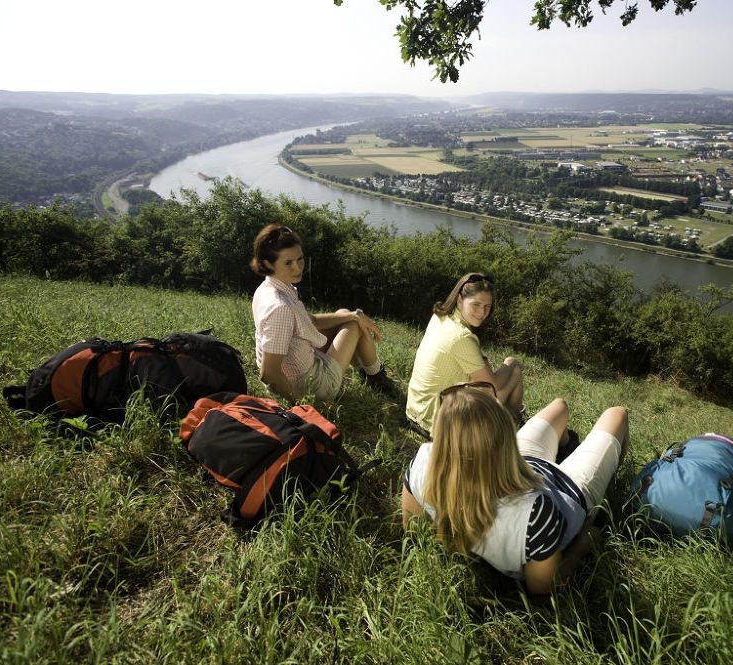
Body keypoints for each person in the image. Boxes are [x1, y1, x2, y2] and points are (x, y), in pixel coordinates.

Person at [402, 384, 629, 595]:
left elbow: (412, 531)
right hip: (568, 488)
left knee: (559, 407)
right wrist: (582, 545)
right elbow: (543, 589)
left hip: (516, 465)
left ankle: (567, 448)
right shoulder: (535, 513)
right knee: (617, 414)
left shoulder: (423, 462)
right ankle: (590, 465)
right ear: (504, 435)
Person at [250, 223, 399, 402]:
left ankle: (368, 370)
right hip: (313, 387)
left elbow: (311, 321)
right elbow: (269, 373)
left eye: (300, 259)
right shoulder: (280, 307)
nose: (298, 268)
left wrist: (355, 314)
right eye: (288, 262)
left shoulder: (268, 288)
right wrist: (304, 407)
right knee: (353, 326)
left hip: (300, 367)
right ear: (268, 263)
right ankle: (376, 377)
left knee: (348, 315)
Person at [405, 272, 524, 436]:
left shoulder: (441, 317)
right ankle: (513, 424)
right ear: (460, 299)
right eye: (476, 304)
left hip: (416, 410)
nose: (482, 312)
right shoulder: (461, 337)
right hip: (437, 424)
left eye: (487, 307)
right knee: (514, 368)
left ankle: (512, 421)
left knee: (502, 372)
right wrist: (510, 365)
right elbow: (492, 387)